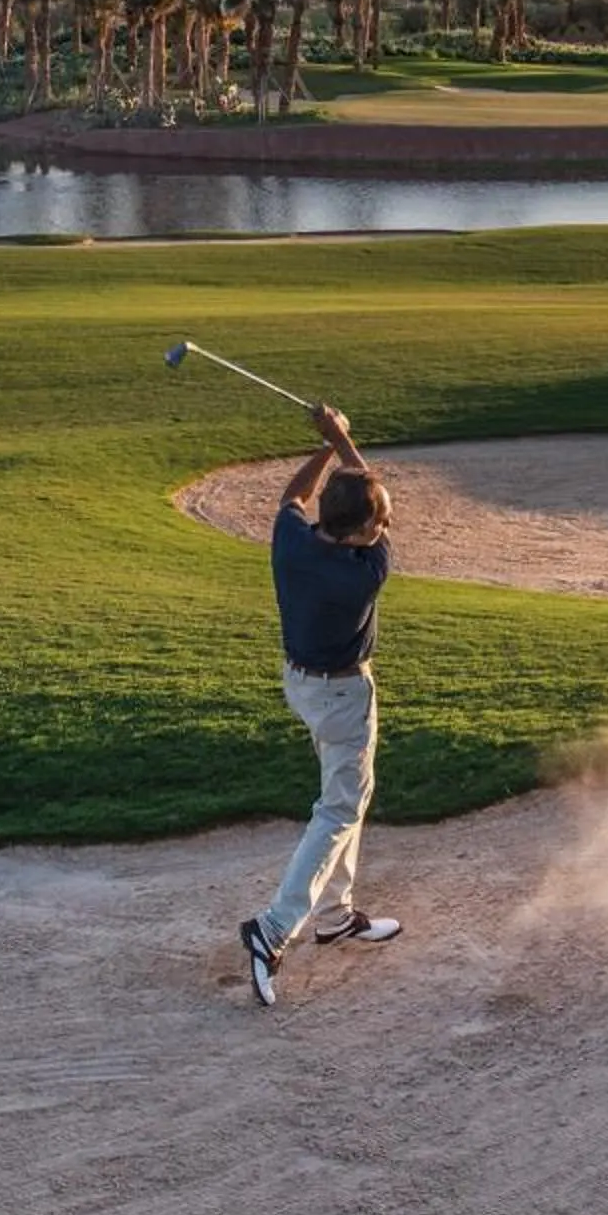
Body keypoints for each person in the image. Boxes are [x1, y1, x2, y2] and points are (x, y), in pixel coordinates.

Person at [239, 405, 401, 1006]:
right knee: (338, 809)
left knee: (346, 795)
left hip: (302, 684)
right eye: (376, 524)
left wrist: (329, 445)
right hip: (341, 696)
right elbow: (379, 509)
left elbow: (293, 496)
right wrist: (342, 440)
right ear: (357, 533)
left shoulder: (291, 539)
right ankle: (274, 928)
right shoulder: (364, 573)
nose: (384, 528)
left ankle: (336, 915)